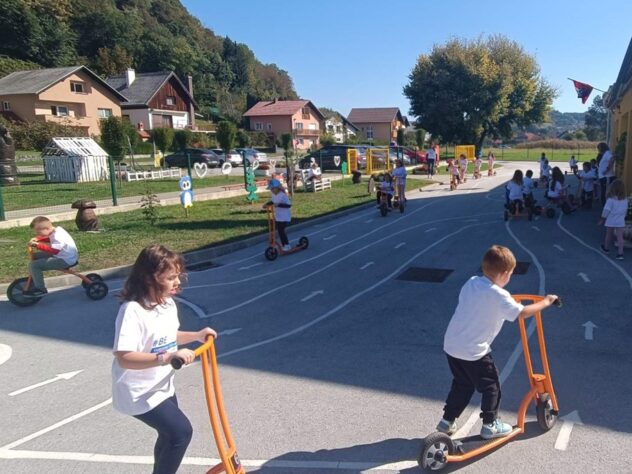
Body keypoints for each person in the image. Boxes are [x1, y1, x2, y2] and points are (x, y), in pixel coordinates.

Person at [112, 245, 217, 474]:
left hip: (162, 384)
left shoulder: (167, 303)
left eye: (178, 276)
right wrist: (167, 356)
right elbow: (125, 357)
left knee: (169, 435)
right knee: (181, 433)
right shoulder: (133, 311)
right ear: (150, 278)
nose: (177, 282)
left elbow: (168, 337)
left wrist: (197, 336)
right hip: (138, 391)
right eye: (171, 277)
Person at [436, 245, 558, 439]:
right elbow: (522, 313)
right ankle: (490, 424)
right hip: (474, 351)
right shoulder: (500, 296)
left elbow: (481, 304)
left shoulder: (472, 282)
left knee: (462, 384)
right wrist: (546, 302)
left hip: (452, 345)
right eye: (510, 274)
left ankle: (447, 421)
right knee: (491, 386)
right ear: (504, 274)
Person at [25, 216, 78, 297]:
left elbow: (53, 250)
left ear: (46, 229)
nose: (38, 234)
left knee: (34, 265)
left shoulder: (58, 236)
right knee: (35, 256)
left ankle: (40, 289)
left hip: (65, 260)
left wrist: (37, 245)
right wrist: (38, 240)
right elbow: (50, 239)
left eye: (39, 233)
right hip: (62, 255)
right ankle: (36, 279)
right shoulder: (56, 230)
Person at [599, 179, 628, 260]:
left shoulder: (610, 200)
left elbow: (606, 211)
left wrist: (602, 219)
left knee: (609, 234)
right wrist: (623, 217)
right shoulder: (625, 200)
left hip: (611, 220)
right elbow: (625, 210)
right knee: (620, 237)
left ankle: (606, 248)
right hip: (620, 221)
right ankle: (620, 253)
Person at [265, 179, 292, 251]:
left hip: (285, 217)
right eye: (271, 189)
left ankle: (287, 245)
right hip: (278, 217)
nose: (272, 190)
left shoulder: (283, 195)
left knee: (281, 230)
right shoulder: (274, 195)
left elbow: (289, 205)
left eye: (273, 188)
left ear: (278, 188)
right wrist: (266, 204)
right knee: (280, 231)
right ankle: (284, 245)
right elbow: (272, 202)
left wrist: (279, 204)